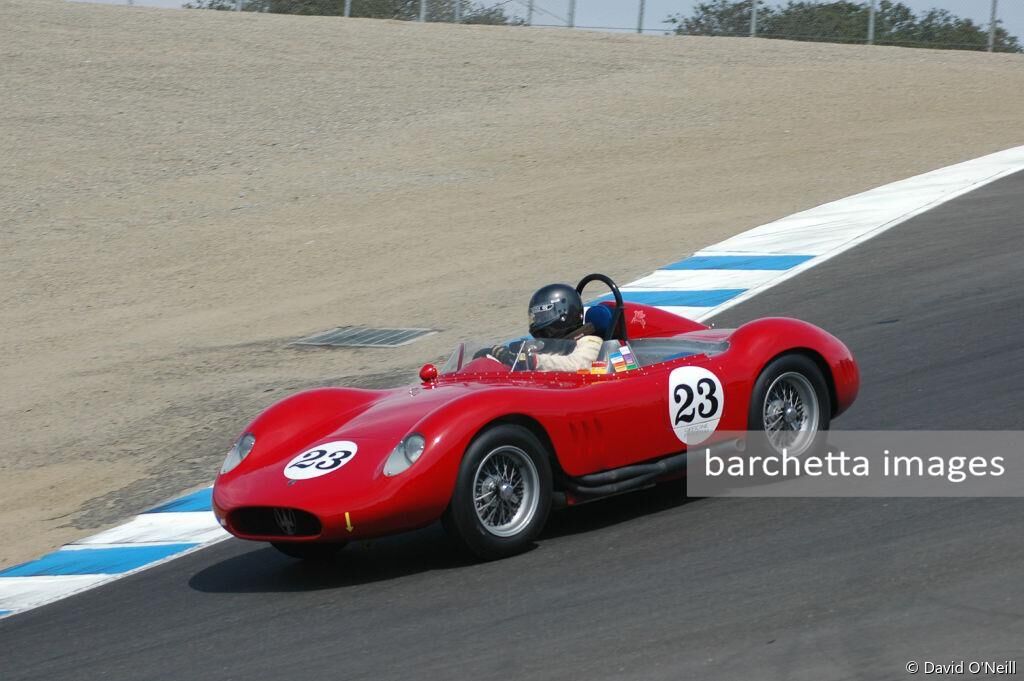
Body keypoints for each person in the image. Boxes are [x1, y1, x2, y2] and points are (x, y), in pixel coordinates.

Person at [483, 283, 604, 372]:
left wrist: (533, 361)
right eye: (536, 316)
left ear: (563, 313)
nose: (538, 321)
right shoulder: (546, 345)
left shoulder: (590, 342)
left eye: (543, 315)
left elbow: (579, 365)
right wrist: (496, 355)